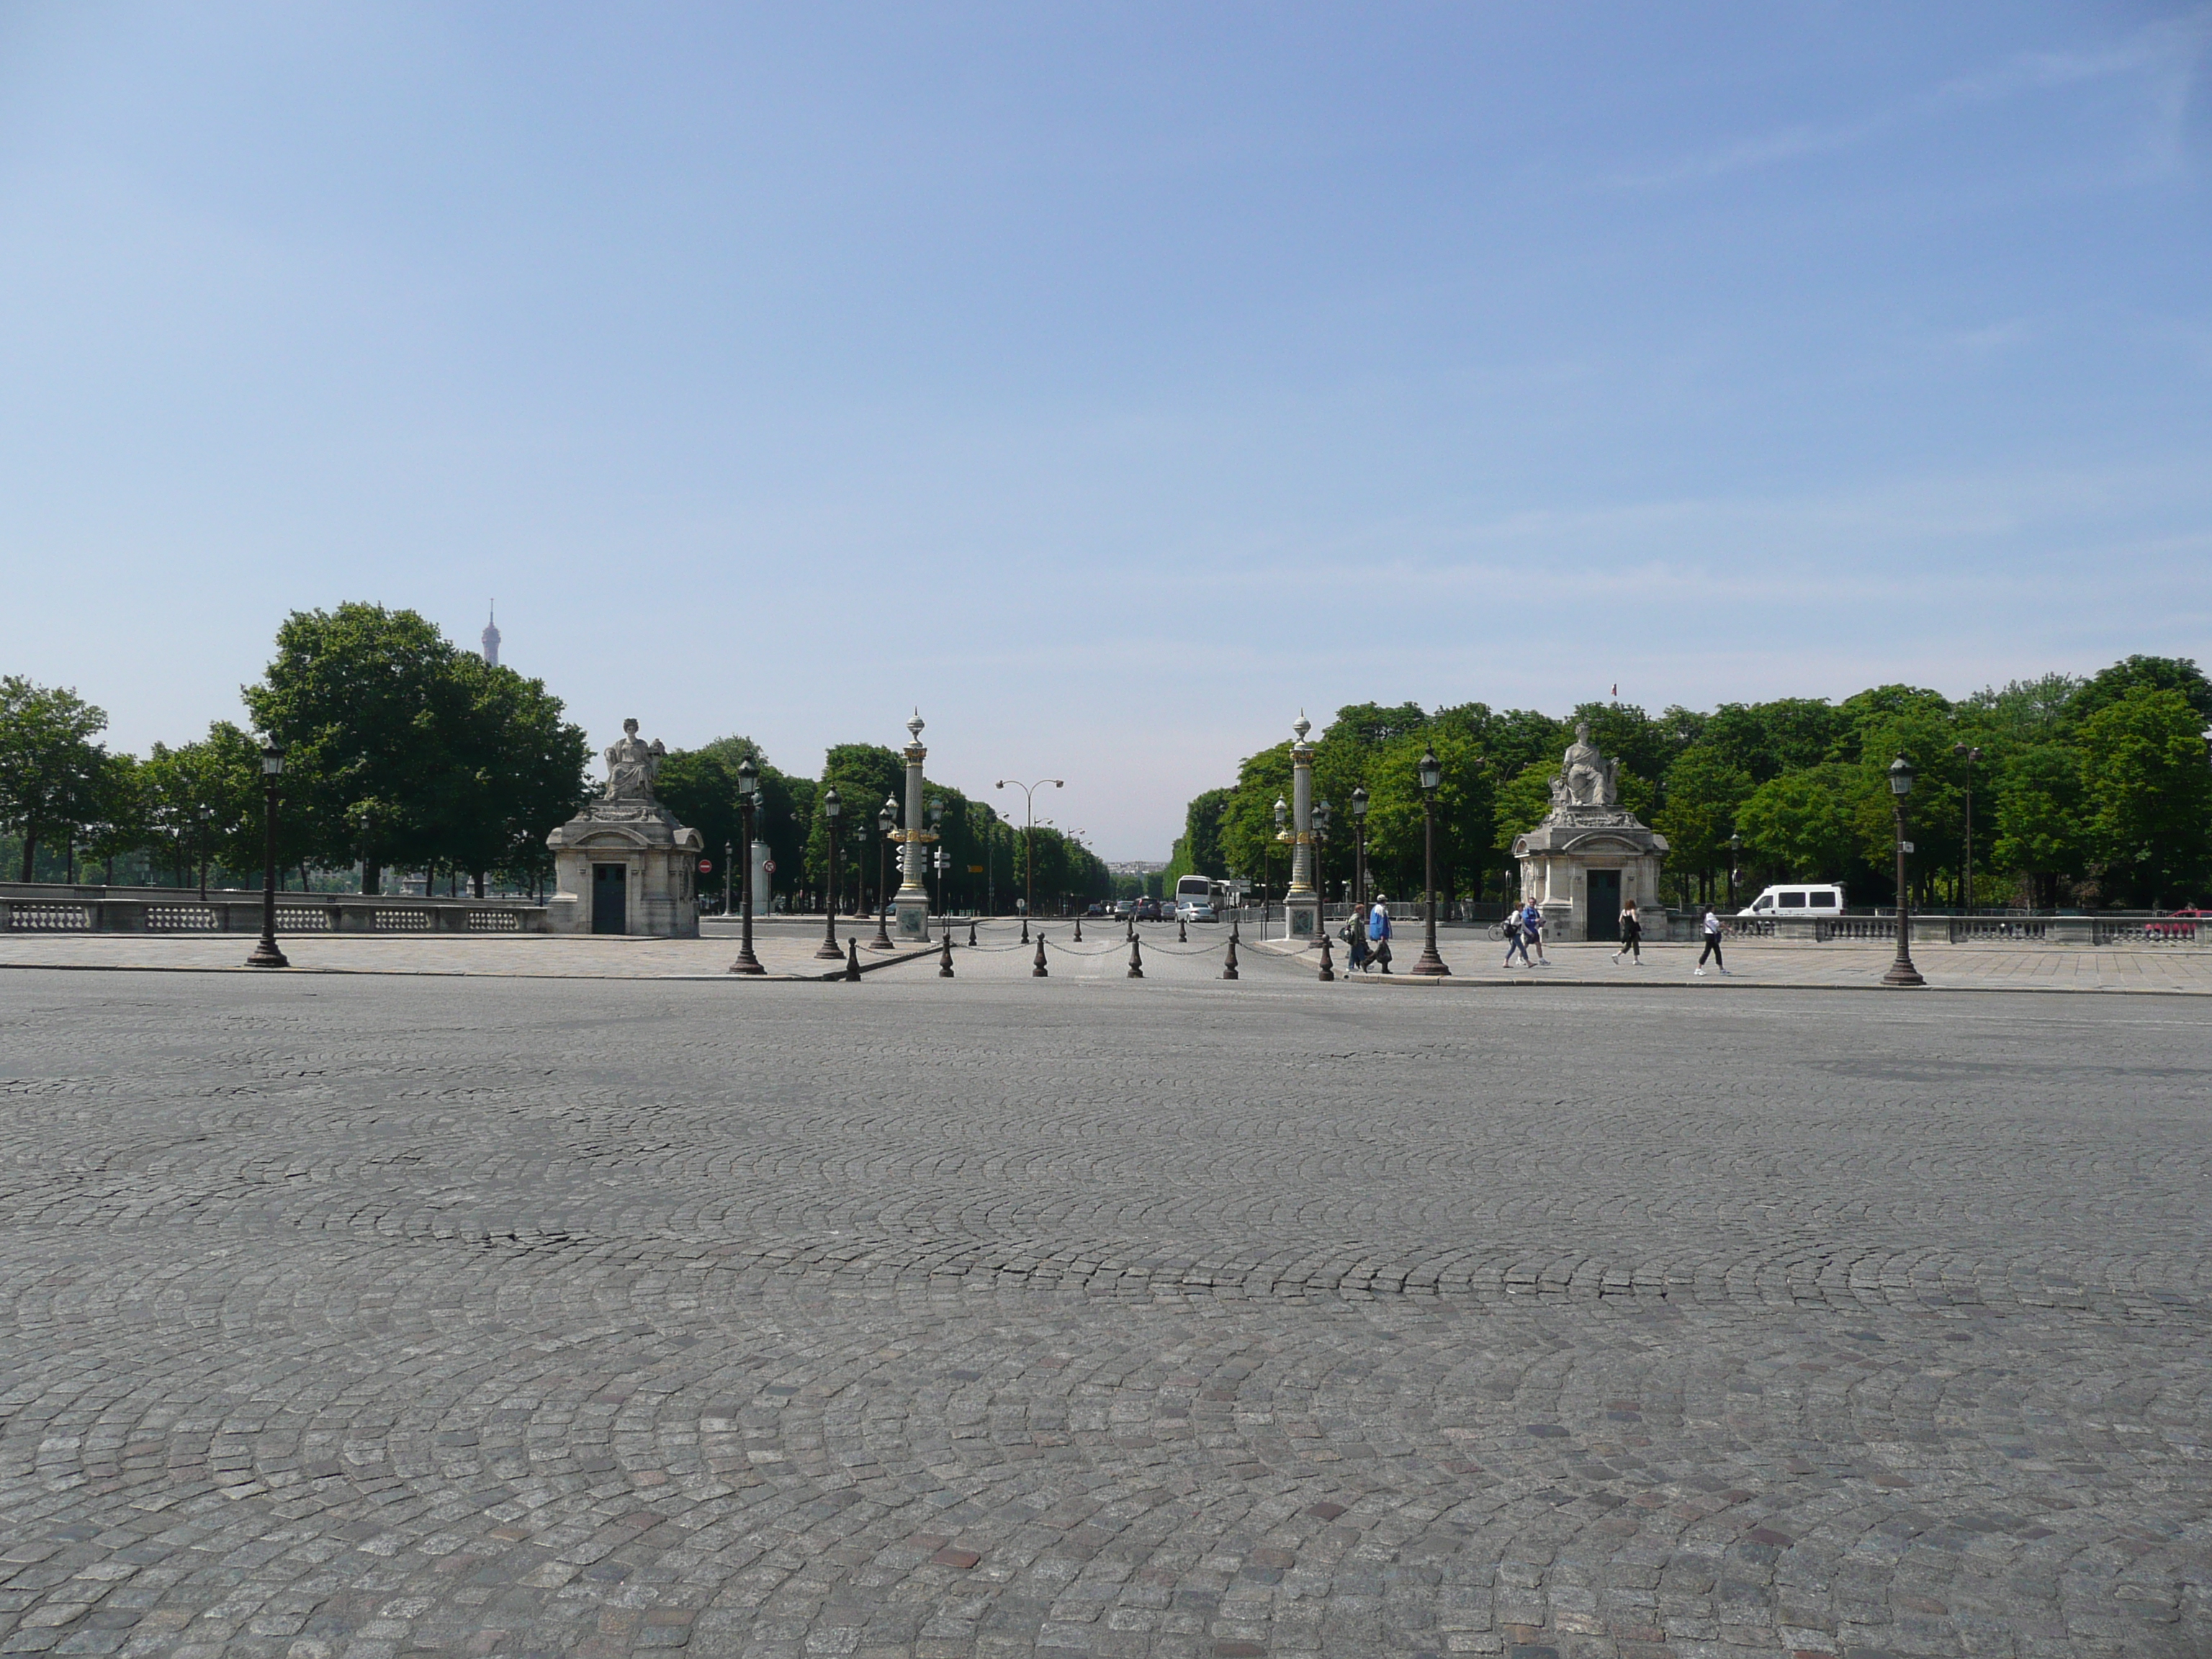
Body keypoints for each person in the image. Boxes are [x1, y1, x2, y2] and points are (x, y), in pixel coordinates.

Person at [1696, 904, 1728, 975]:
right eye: (1714, 908)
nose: (1714, 909)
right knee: (1707, 951)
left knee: (1717, 952)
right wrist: (1724, 925)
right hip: (1710, 935)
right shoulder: (1710, 915)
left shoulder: (1706, 915)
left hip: (1710, 935)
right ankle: (1698, 968)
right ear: (1711, 908)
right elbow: (1717, 924)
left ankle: (1722, 969)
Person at [1367, 896, 1394, 974]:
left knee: (1381, 951)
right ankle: (1366, 962)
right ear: (1384, 901)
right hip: (1380, 933)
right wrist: (1382, 934)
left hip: (1375, 932)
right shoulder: (1381, 909)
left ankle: (1384, 968)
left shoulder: (1374, 908)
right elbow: (1382, 923)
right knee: (1382, 951)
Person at [1613, 899, 1643, 964]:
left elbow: (1620, 920)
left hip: (1627, 929)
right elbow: (1635, 920)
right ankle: (1636, 960)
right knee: (1635, 943)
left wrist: (1625, 926)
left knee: (1628, 944)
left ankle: (1617, 955)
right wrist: (1638, 918)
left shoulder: (1624, 911)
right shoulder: (1632, 911)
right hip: (1633, 929)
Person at [1344, 902, 1372, 972]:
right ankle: (1355, 966)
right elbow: (1356, 929)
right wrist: (1357, 939)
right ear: (1358, 910)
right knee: (1357, 952)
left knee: (1357, 953)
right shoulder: (1356, 918)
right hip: (1356, 938)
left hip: (1356, 939)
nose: (1363, 912)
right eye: (1362, 910)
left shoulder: (1355, 917)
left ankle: (1363, 965)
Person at [1501, 902, 1531, 966]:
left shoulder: (1520, 914)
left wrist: (1530, 933)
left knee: (1512, 949)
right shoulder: (1516, 913)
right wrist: (1520, 923)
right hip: (1515, 934)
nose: (1523, 908)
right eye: (1521, 907)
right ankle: (1528, 962)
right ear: (1518, 907)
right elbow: (1513, 923)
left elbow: (1524, 927)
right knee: (1522, 948)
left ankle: (1505, 962)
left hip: (1517, 933)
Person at [1521, 899, 1548, 965]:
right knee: (1525, 945)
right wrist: (1534, 921)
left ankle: (1541, 959)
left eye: (1533, 902)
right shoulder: (1526, 911)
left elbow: (1538, 919)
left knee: (1538, 944)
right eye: (1531, 902)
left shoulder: (1536, 911)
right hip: (1529, 930)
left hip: (1535, 930)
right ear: (1528, 903)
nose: (1532, 904)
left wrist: (1541, 924)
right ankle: (1519, 958)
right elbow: (1526, 920)